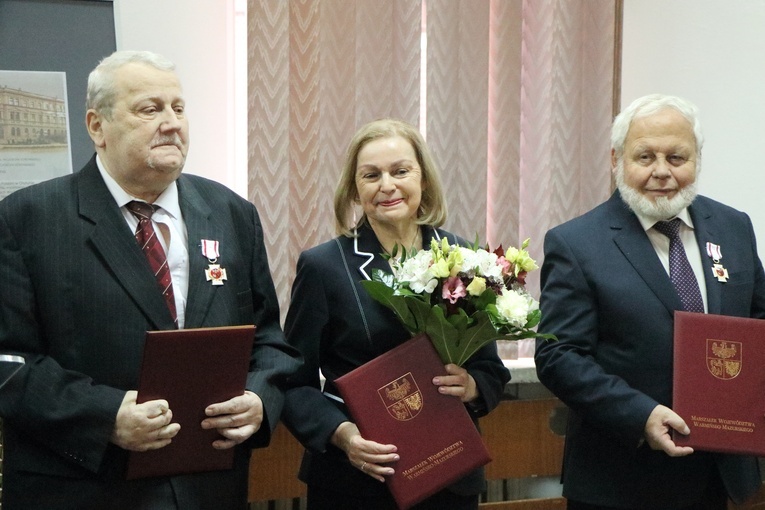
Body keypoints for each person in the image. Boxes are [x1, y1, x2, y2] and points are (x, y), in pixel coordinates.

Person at [0, 50, 301, 509]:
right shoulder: (27, 219)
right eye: (149, 109)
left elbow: (270, 342)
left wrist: (259, 401)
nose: (172, 123)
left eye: (178, 108)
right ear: (97, 126)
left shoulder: (231, 214)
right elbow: (9, 361)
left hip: (208, 488)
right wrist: (105, 416)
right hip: (86, 488)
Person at [534, 94, 763, 509]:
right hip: (622, 478)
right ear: (616, 159)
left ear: (697, 159)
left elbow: (758, 326)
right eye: (645, 157)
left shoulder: (733, 227)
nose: (662, 172)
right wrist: (640, 414)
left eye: (677, 157)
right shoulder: (577, 243)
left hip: (719, 472)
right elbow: (559, 356)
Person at [280, 118, 511, 509]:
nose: (387, 185)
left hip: (449, 477)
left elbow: (490, 369)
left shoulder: (464, 259)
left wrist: (471, 386)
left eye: (400, 171)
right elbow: (292, 382)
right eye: (371, 175)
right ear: (355, 189)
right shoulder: (324, 267)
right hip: (356, 482)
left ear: (423, 179)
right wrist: (344, 436)